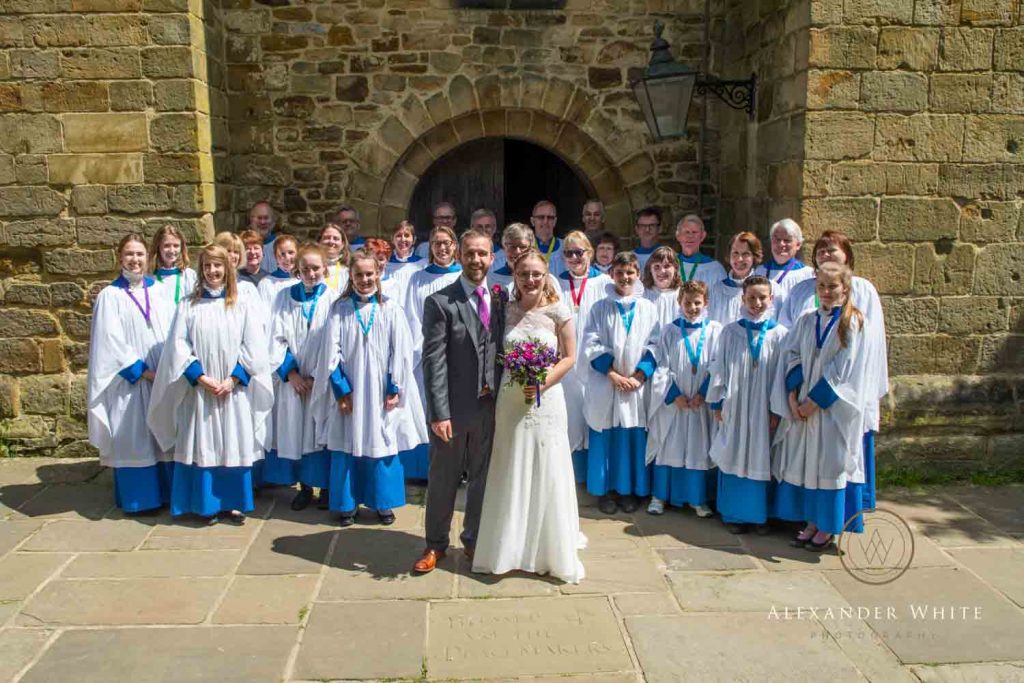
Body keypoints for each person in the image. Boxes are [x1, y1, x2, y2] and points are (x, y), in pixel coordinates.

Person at [472, 248, 586, 584]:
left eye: (537, 273)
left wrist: (541, 382)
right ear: (514, 275)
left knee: (546, 467)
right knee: (511, 465)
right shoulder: (503, 309)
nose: (531, 279)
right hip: (510, 400)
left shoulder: (558, 311)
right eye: (524, 274)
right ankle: (507, 548)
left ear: (546, 273)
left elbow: (569, 357)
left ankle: (548, 549)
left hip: (546, 399)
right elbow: (492, 350)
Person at [147, 245, 273, 524]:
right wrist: (201, 378)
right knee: (203, 444)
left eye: (218, 266)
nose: (213, 271)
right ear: (200, 270)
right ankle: (206, 504)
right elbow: (178, 348)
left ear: (227, 269)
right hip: (202, 391)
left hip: (232, 390)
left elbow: (253, 347)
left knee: (233, 442)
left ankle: (234, 502)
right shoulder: (188, 306)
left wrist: (233, 379)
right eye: (207, 266)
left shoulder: (242, 304)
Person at [777, 230, 887, 512]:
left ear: (847, 255)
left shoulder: (863, 291)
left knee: (836, 457)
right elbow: (789, 336)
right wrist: (795, 389)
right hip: (804, 388)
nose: (826, 254)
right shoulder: (802, 289)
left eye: (833, 249)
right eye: (821, 250)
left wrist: (819, 397)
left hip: (840, 394)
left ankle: (840, 515)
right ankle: (809, 516)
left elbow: (867, 347)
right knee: (805, 456)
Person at [414, 229, 504, 574]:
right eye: (470, 253)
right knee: (443, 479)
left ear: (491, 258)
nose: (476, 260)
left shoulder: (500, 298)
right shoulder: (440, 302)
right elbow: (432, 361)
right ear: (459, 255)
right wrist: (438, 413)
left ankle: (473, 541)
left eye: (483, 254)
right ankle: (435, 544)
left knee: (482, 478)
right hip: (452, 408)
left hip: (489, 405)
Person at [771, 262, 868, 552]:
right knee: (806, 464)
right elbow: (791, 355)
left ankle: (827, 527)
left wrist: (814, 402)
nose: (826, 292)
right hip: (802, 405)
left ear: (845, 288)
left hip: (830, 410)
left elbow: (844, 368)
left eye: (832, 286)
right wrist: (792, 396)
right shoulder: (806, 319)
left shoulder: (851, 322)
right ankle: (811, 521)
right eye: (822, 286)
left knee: (828, 464)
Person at [313, 249, 413, 526]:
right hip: (351, 392)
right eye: (359, 274)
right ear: (351, 276)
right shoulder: (340, 309)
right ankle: (347, 503)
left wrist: (394, 387)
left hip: (380, 391)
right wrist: (342, 391)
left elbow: (400, 351)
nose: (365, 279)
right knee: (348, 443)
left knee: (381, 441)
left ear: (378, 274)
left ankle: (383, 503)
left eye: (370, 274)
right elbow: (329, 354)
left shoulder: (390, 309)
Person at [88, 234, 177, 514]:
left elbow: (174, 329)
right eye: (129, 254)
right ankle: (141, 500)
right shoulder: (110, 296)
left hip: (161, 376)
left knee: (163, 435)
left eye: (139, 254)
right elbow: (109, 342)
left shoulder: (159, 290)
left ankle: (167, 494)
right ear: (119, 257)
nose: (135, 260)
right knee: (135, 436)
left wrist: (168, 367)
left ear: (148, 257)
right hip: (132, 381)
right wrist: (143, 372)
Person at [581, 252, 660, 515]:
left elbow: (655, 344)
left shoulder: (648, 308)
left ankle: (629, 492)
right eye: (620, 272)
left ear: (638, 274)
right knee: (607, 437)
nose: (625, 277)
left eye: (630, 272)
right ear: (612, 274)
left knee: (631, 438)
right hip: (607, 383)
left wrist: (639, 376)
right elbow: (590, 344)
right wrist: (613, 374)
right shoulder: (600, 307)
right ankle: (605, 492)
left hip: (636, 386)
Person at [706, 276, 786, 534]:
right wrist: (718, 403)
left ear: (771, 299)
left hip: (764, 406)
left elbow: (781, 376)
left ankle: (761, 516)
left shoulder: (780, 334)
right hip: (736, 406)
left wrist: (776, 409)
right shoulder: (730, 332)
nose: (757, 303)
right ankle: (733, 515)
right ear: (742, 299)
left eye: (762, 297)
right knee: (733, 452)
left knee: (761, 455)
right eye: (751, 297)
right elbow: (719, 367)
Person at [266, 243, 339, 507]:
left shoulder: (333, 298)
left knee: (323, 431)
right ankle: (305, 487)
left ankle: (328, 488)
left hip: (323, 381)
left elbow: (336, 341)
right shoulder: (283, 298)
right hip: (294, 383)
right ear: (297, 270)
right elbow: (274, 338)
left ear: (325, 269)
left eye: (316, 268)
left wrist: (318, 376)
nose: (311, 273)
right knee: (297, 432)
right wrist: (292, 374)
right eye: (305, 268)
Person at [645, 280, 720, 517]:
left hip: (700, 402)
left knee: (698, 448)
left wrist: (703, 393)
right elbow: (661, 366)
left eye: (697, 302)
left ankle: (697, 499)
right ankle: (660, 496)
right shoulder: (670, 330)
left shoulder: (715, 331)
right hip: (674, 403)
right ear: (679, 303)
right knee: (668, 446)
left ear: (706, 303)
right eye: (687, 302)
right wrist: (673, 395)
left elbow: (719, 366)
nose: (692, 307)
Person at [366, 238, 432, 481]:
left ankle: (405, 474)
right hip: (363, 367)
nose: (380, 264)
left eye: (382, 259)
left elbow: (407, 321)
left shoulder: (395, 287)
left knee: (397, 421)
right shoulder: (350, 297)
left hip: (392, 361)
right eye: (374, 258)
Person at [555, 231, 614, 483]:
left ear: (590, 253)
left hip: (595, 363)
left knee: (596, 416)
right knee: (571, 418)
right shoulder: (556, 283)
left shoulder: (604, 283)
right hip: (567, 363)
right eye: (569, 253)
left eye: (580, 252)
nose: (575, 257)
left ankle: (596, 478)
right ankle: (572, 476)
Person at [406, 225, 463, 398]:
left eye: (446, 243)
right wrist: (426, 346)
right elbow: (412, 316)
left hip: (459, 349)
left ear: (454, 245)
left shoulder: (463, 276)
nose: (442, 248)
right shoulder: (418, 279)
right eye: (436, 243)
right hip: (428, 350)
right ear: (430, 247)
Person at [708, 231, 773, 324]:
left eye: (745, 254)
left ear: (754, 256)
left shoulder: (767, 289)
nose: (739, 259)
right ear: (729, 255)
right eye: (735, 253)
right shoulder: (716, 290)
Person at [753, 218, 814, 314]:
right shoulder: (759, 272)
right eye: (777, 239)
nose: (781, 244)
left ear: (798, 245)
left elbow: (817, 304)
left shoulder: (808, 275)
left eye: (787, 240)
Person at [149, 224, 197, 306]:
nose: (172, 250)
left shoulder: (189, 276)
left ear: (181, 248)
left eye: (176, 246)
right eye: (167, 246)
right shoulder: (149, 277)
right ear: (158, 247)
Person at [675, 214, 727, 286]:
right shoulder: (668, 265)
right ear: (678, 236)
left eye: (694, 232)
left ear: (702, 236)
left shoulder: (714, 268)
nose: (690, 236)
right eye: (686, 232)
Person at [213, 232, 259, 302]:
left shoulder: (247, 288)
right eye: (228, 251)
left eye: (236, 252)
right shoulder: (207, 289)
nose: (232, 255)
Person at [642, 246, 682, 325]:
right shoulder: (642, 295)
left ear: (675, 268)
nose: (662, 271)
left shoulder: (683, 295)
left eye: (667, 266)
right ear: (650, 269)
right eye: (657, 266)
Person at [257, 234, 299, 308]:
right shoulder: (267, 283)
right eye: (282, 254)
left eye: (291, 252)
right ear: (275, 256)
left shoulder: (304, 281)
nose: (287, 258)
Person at [385, 220, 426, 294]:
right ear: (392, 239)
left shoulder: (423, 264)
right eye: (398, 236)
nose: (403, 239)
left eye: (407, 235)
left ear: (414, 240)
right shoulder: (385, 265)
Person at [489, 223, 533, 289]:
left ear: (530, 248)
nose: (517, 251)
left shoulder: (538, 278)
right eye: (512, 246)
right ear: (504, 246)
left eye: (523, 247)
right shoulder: (494, 278)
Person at [530, 199, 565, 276]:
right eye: (541, 217)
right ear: (532, 221)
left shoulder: (566, 248)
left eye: (550, 217)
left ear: (555, 221)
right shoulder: (525, 248)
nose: (545, 221)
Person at [249, 202, 280, 274]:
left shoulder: (281, 245)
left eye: (266, 218)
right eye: (259, 218)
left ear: (273, 221)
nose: (262, 222)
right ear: (251, 220)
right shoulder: (242, 245)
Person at [319, 223, 350, 291]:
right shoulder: (311, 269)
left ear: (343, 244)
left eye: (336, 239)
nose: (331, 241)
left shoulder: (349, 270)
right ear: (319, 241)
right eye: (327, 238)